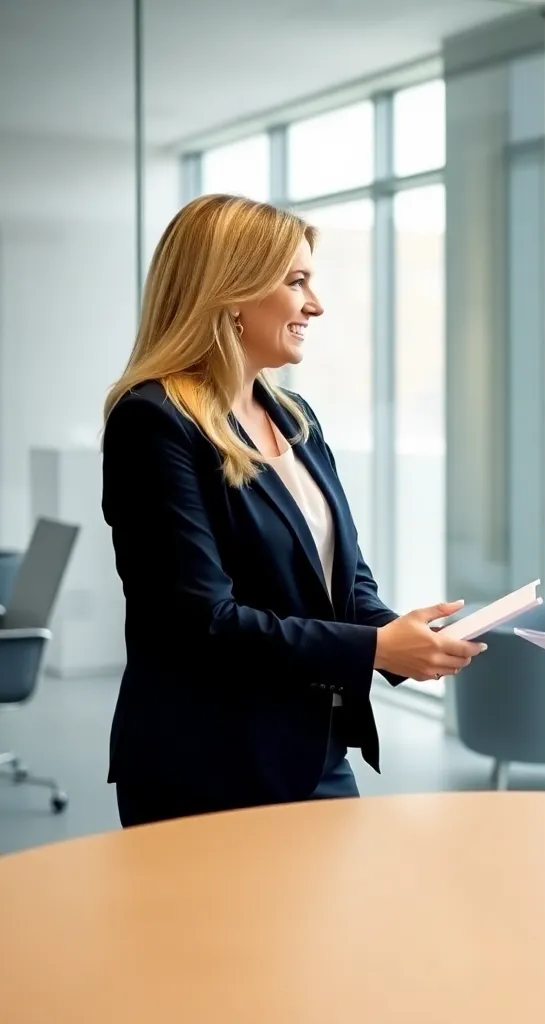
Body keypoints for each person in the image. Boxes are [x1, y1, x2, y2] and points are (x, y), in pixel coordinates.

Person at [102, 194, 484, 827]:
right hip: (208, 764)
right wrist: (375, 649)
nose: (316, 304)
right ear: (230, 291)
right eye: (296, 281)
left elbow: (342, 577)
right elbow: (202, 622)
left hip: (312, 751)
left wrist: (401, 636)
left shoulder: (296, 419)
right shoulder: (153, 422)